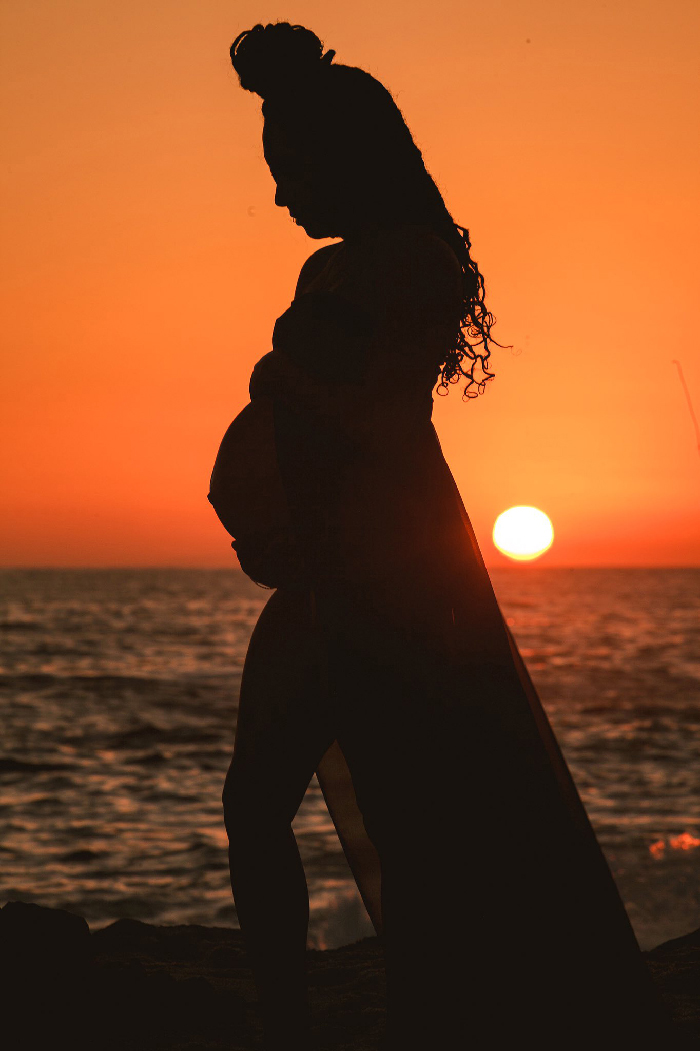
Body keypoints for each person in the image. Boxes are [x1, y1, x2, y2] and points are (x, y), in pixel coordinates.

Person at [217, 22, 674, 1051]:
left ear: (347, 157)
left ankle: (440, 1016)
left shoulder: (414, 262)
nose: (282, 194)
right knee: (253, 800)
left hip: (395, 572)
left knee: (421, 821)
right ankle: (283, 1018)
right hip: (327, 564)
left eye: (291, 169)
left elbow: (378, 420)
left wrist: (276, 381)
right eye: (273, 171)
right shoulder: (328, 273)